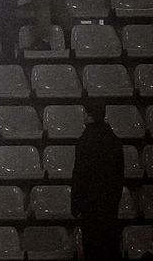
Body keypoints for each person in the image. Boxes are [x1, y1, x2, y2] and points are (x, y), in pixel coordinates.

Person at [71, 102, 124, 259]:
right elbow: (119, 175)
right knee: (109, 247)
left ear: (88, 115)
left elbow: (79, 175)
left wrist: (75, 205)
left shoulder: (84, 141)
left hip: (90, 205)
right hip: (109, 204)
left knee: (92, 248)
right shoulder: (114, 140)